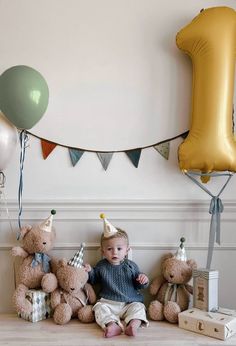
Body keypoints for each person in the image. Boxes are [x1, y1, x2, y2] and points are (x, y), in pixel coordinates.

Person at [84, 213, 149, 338]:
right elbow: (94, 279)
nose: (115, 252)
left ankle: (133, 324)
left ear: (127, 250)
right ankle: (111, 325)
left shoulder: (131, 266)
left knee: (139, 307)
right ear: (103, 251)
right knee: (98, 308)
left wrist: (143, 280)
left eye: (119, 249)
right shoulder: (102, 266)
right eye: (109, 249)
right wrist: (89, 271)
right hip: (108, 302)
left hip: (129, 303)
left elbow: (138, 285)